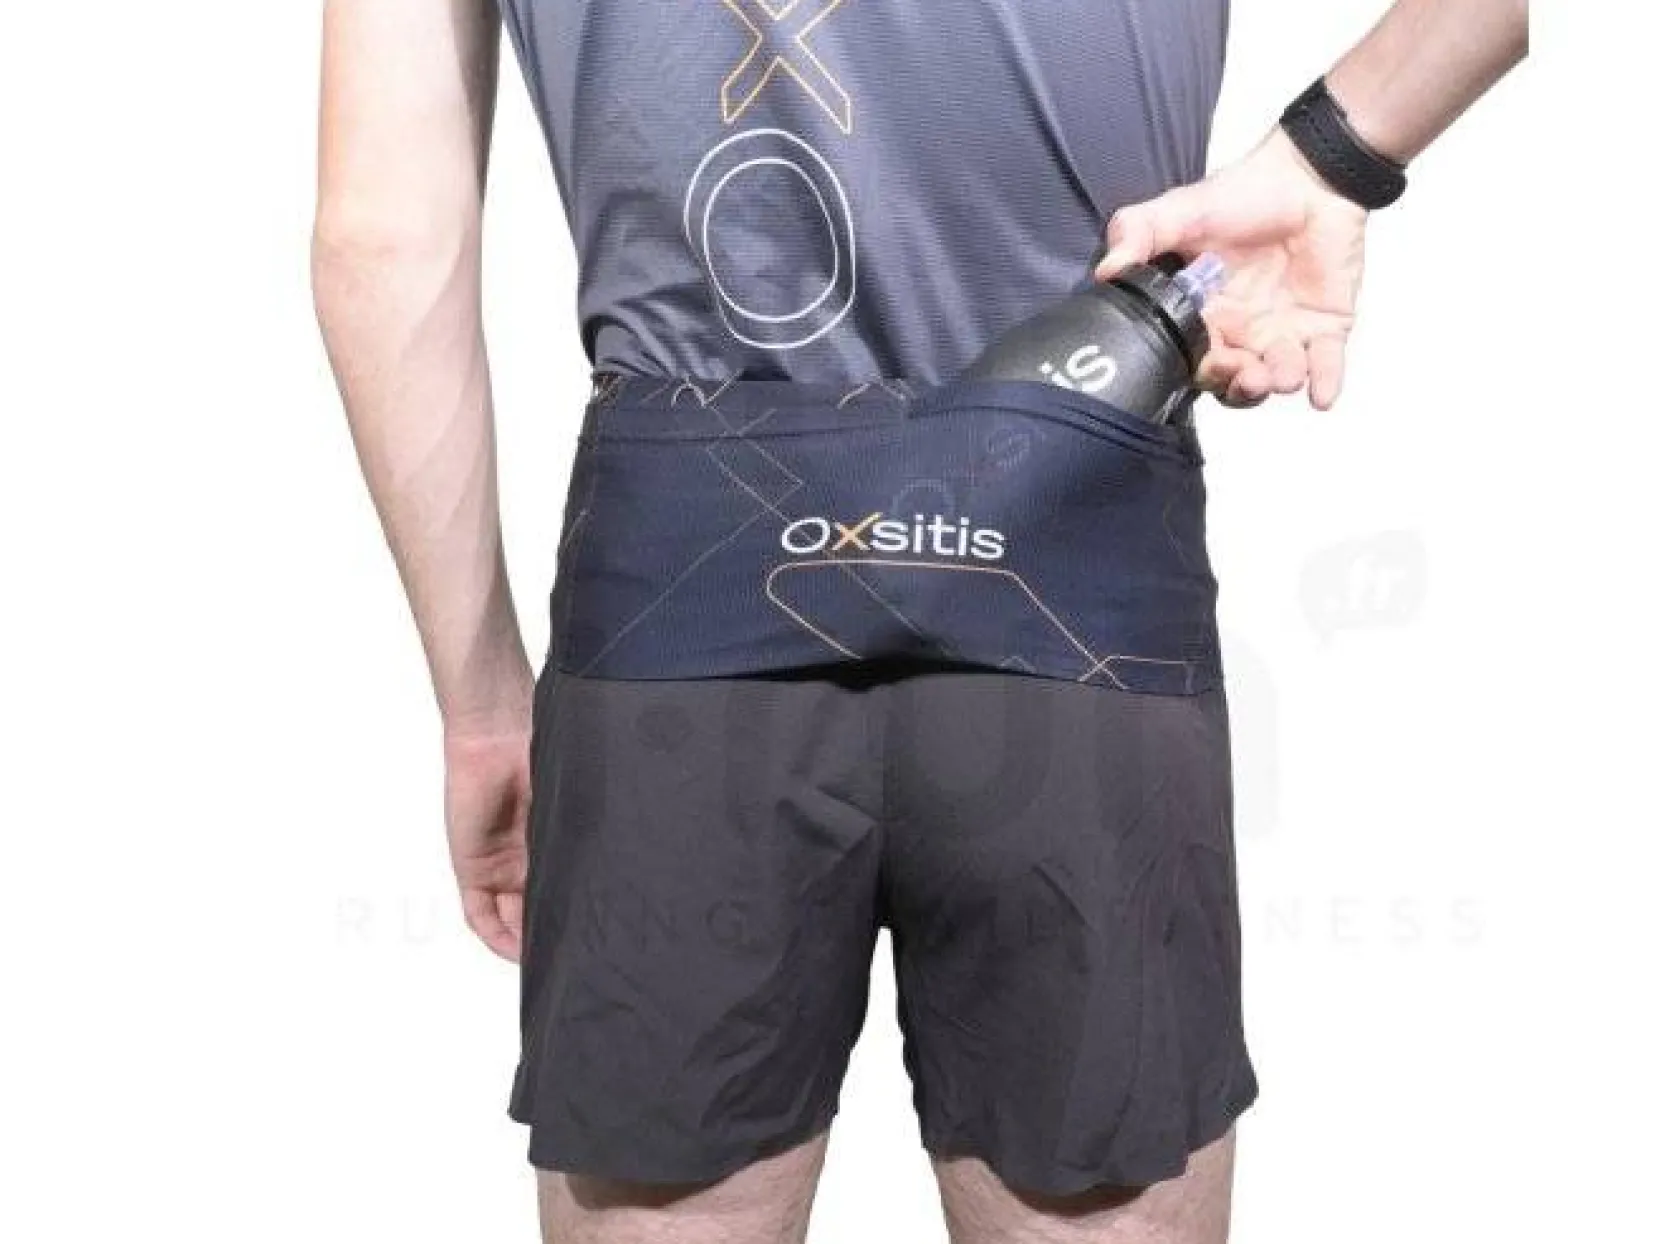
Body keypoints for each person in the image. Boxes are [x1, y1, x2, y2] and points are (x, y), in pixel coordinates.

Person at [312, 0, 1526, 1239]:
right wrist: (1329, 155)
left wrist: (480, 702)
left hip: (683, 601)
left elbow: (383, 238)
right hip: (1075, 556)